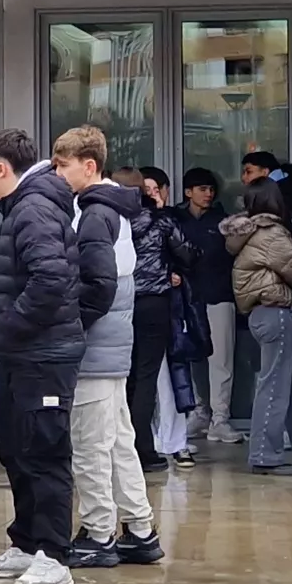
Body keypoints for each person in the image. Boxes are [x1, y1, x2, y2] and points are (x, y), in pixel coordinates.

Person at [0, 129, 86, 584]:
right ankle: (25, 543)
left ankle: (54, 555)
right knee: (16, 450)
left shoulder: (34, 209)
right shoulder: (23, 207)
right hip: (24, 354)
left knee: (44, 452)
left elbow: (50, 280)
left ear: (1, 168)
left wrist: (11, 326)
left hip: (44, 354)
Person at [56, 129, 162, 568]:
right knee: (118, 440)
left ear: (89, 165)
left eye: (63, 165)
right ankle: (139, 528)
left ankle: (99, 531)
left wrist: (71, 328)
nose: (59, 174)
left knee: (90, 445)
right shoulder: (114, 210)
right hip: (115, 346)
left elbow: (97, 286)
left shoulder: (95, 214)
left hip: (96, 349)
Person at [227, 184, 292, 473]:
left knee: (285, 386)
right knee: (276, 386)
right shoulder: (270, 234)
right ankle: (265, 456)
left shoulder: (249, 233)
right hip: (277, 312)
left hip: (262, 313)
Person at [172, 166, 232, 463]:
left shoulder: (223, 221)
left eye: (210, 189)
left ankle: (220, 419)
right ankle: (198, 412)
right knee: (190, 357)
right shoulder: (175, 219)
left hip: (219, 297)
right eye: (201, 189)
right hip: (188, 300)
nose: (208, 194)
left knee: (220, 361)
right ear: (188, 192)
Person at [127, 164, 185, 472]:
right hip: (154, 302)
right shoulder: (161, 221)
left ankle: (123, 448)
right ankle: (144, 450)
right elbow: (187, 252)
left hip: (122, 303)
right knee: (148, 375)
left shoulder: (118, 221)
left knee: (128, 377)